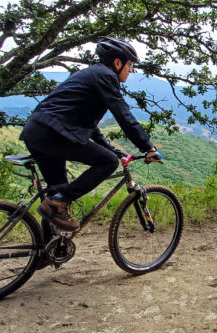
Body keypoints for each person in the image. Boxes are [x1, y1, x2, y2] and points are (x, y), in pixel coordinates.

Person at [20, 37, 161, 231]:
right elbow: (124, 115)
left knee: (57, 193)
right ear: (117, 63)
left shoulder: (91, 75)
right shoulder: (106, 76)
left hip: (37, 131)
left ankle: (44, 251)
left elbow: (88, 124)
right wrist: (148, 147)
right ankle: (58, 203)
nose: (131, 70)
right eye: (129, 65)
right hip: (53, 133)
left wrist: (110, 148)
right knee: (108, 162)